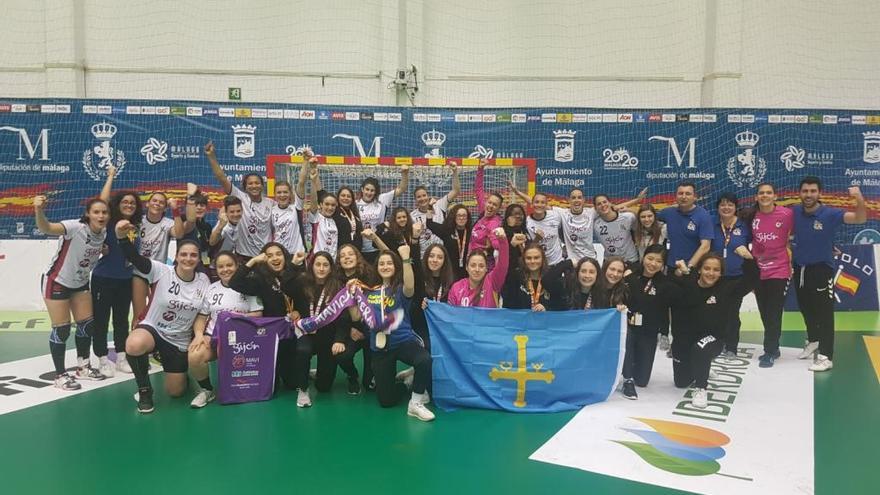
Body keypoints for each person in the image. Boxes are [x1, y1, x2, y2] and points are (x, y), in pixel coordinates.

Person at [114, 220, 211, 413]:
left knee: (176, 392)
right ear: (176, 257)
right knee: (133, 344)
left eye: (193, 255)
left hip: (179, 339)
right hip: (154, 329)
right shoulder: (161, 271)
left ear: (199, 260)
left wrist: (199, 335)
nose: (188, 258)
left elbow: (202, 313)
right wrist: (121, 237)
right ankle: (144, 390)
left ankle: (179, 371)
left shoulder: (204, 281)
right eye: (183, 254)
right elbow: (135, 258)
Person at [348, 244, 435, 421]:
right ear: (377, 267)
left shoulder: (400, 289)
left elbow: (410, 286)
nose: (385, 266)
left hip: (403, 341)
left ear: (395, 267)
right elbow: (356, 316)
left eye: (389, 263)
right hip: (380, 347)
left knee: (424, 359)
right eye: (382, 263)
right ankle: (406, 384)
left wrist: (405, 259)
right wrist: (351, 296)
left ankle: (416, 403)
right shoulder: (368, 291)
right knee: (386, 401)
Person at [35, 194, 109, 391]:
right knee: (62, 329)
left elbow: (92, 248)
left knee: (87, 325)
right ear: (88, 214)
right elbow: (46, 228)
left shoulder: (102, 232)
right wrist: (38, 210)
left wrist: (104, 249)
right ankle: (60, 375)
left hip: (81, 283)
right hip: (57, 281)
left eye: (104, 212)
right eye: (96, 212)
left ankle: (83, 367)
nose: (100, 215)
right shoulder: (74, 227)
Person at [792, 178, 866, 371]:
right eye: (805, 191)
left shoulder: (830, 214)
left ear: (819, 193)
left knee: (824, 314)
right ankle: (814, 341)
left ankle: (826, 356)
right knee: (805, 308)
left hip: (821, 270)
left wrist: (858, 198)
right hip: (800, 269)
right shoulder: (794, 212)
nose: (809, 195)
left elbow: (860, 219)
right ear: (800, 193)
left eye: (812, 191)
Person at [670, 251, 757, 409]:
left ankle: (701, 388)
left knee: (700, 348)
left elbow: (751, 281)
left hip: (713, 338)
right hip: (686, 339)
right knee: (681, 383)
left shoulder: (727, 289)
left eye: (716, 270)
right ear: (699, 270)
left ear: (721, 273)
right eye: (707, 268)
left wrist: (749, 259)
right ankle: (701, 367)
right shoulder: (688, 283)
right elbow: (672, 285)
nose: (711, 273)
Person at [229, 243, 312, 406]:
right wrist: (252, 261)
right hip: (272, 338)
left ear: (285, 256)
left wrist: (300, 313)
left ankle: (302, 370)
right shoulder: (260, 280)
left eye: (278, 254)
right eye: (269, 255)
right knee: (274, 387)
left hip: (295, 333)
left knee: (291, 384)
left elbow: (304, 300)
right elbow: (235, 283)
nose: (275, 258)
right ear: (264, 259)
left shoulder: (297, 274)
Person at [187, 251, 263, 408]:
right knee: (195, 356)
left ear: (237, 266)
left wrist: (234, 317)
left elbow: (258, 313)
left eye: (229, 265)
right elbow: (202, 316)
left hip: (243, 340)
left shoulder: (248, 286)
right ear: (216, 269)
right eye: (221, 266)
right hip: (214, 336)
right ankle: (207, 390)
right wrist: (199, 335)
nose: (225, 269)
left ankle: (248, 387)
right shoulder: (212, 289)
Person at [283, 251, 361, 396]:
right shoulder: (302, 282)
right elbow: (285, 286)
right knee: (302, 351)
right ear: (312, 266)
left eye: (325, 265)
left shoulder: (338, 287)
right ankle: (303, 389)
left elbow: (343, 316)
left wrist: (339, 340)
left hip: (328, 337)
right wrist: (294, 264)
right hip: (307, 333)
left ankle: (351, 375)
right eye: (317, 264)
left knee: (323, 387)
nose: (321, 268)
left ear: (331, 268)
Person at [91, 166, 142, 376]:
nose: (129, 205)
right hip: (104, 279)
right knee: (101, 319)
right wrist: (111, 176)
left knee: (121, 320)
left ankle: (121, 357)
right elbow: (102, 202)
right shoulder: (109, 222)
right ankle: (102, 359)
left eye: (132, 202)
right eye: (125, 202)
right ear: (117, 205)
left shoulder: (136, 226)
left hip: (125, 280)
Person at [131, 191, 193, 333]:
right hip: (139, 271)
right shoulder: (138, 222)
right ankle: (135, 351)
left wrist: (175, 209)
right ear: (148, 203)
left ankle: (156, 347)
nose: (157, 204)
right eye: (154, 201)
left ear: (165, 208)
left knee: (159, 315)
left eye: (161, 202)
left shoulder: (167, 223)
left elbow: (179, 233)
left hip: (158, 273)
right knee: (139, 314)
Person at [620, 245, 676, 399]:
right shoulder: (632, 275)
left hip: (649, 330)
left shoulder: (664, 283)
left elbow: (664, 308)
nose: (653, 264)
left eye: (658, 261)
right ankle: (627, 379)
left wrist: (664, 333)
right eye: (650, 258)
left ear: (663, 264)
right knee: (628, 341)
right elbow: (636, 300)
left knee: (643, 381)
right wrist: (630, 278)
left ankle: (633, 369)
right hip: (628, 326)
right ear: (643, 258)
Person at [749, 182, 794, 368]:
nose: (765, 196)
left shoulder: (787, 214)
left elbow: (806, 231)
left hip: (780, 270)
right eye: (761, 193)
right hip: (758, 271)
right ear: (756, 197)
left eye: (769, 193)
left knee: (774, 312)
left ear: (775, 196)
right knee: (764, 311)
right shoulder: (751, 216)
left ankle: (769, 351)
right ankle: (773, 348)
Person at [206, 141, 274, 260]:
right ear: (245, 187)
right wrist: (211, 156)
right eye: (250, 184)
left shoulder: (271, 203)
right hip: (244, 256)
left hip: (265, 255)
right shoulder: (241, 198)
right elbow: (222, 178)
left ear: (262, 186)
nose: (254, 186)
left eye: (257, 183)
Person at [711, 193, 751, 357]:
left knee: (732, 313)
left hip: (737, 277)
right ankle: (716, 344)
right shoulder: (711, 224)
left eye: (730, 205)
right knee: (714, 311)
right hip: (714, 277)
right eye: (722, 204)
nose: (726, 208)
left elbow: (755, 247)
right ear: (718, 207)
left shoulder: (744, 226)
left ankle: (731, 347)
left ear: (735, 207)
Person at [335, 243, 379, 391]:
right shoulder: (335, 281)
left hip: (371, 330)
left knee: (370, 385)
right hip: (351, 329)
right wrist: (350, 330)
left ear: (357, 256)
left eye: (350, 254)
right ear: (339, 261)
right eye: (342, 255)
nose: (347, 257)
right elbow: (336, 312)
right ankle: (352, 375)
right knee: (342, 355)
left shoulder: (371, 275)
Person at [356, 164, 409, 263]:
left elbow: (401, 189)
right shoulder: (355, 204)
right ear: (362, 189)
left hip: (379, 247)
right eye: (367, 189)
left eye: (372, 190)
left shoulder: (382, 199)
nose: (369, 192)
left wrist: (404, 174)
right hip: (360, 249)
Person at [658, 181, 714, 271]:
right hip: (671, 266)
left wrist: (688, 267)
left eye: (688, 194)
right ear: (676, 196)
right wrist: (629, 209)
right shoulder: (668, 212)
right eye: (680, 193)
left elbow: (705, 246)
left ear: (695, 197)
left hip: (692, 268)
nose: (684, 197)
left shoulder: (703, 216)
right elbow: (648, 216)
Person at [449, 228, 509, 308]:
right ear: (467, 267)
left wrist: (502, 241)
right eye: (473, 265)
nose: (477, 269)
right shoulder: (456, 287)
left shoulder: (492, 282)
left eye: (481, 266)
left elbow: (503, 265)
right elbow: (449, 314)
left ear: (486, 268)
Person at [410, 161, 460, 254]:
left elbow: (456, 191)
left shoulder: (439, 205)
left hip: (441, 253)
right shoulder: (412, 216)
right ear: (415, 200)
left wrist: (455, 172)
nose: (422, 199)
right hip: (423, 255)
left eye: (424, 195)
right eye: (419, 197)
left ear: (428, 196)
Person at [469, 159, 504, 269]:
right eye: (489, 202)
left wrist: (491, 244)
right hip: (472, 259)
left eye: (495, 205)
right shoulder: (483, 212)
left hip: (484, 265)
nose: (490, 206)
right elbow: (478, 190)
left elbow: (498, 246)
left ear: (498, 208)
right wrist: (481, 168)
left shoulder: (495, 223)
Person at [501, 240, 552, 310]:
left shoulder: (550, 278)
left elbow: (560, 304)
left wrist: (546, 308)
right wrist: (512, 246)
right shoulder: (516, 278)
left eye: (536, 258)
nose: (532, 261)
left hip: (545, 320)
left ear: (543, 259)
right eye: (528, 258)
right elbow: (508, 303)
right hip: (521, 320)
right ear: (524, 260)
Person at [426, 204, 472, 280]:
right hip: (450, 272)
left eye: (464, 216)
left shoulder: (471, 232)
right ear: (454, 217)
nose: (461, 218)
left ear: (467, 218)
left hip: (467, 272)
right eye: (458, 215)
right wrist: (429, 207)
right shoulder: (447, 230)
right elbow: (429, 224)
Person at [593, 194, 640, 265]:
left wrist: (635, 203)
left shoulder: (628, 217)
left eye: (605, 202)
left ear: (610, 203)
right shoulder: (595, 223)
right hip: (610, 261)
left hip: (630, 260)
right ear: (595, 208)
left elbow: (641, 228)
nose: (603, 205)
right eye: (599, 204)